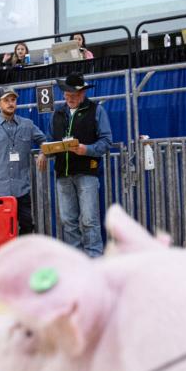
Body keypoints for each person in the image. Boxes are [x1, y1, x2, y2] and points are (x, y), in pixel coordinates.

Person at [41, 72, 112, 257]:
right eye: (67, 94)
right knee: (68, 220)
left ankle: (94, 258)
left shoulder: (96, 111)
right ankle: (77, 260)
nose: (70, 98)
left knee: (89, 219)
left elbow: (106, 141)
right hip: (62, 174)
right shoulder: (57, 114)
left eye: (74, 95)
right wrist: (44, 152)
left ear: (82, 94)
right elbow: (50, 139)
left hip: (87, 172)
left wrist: (86, 149)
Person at [0, 86, 48, 235]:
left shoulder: (27, 124)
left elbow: (44, 141)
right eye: (6, 100)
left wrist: (43, 153)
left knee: (27, 227)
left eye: (13, 100)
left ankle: (23, 258)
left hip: (21, 188)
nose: (10, 103)